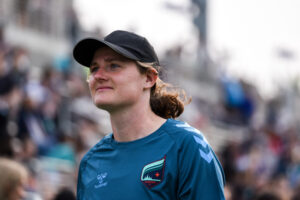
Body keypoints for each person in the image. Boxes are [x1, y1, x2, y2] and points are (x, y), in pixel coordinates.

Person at [73, 30, 225, 199]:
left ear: (149, 78)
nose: (98, 76)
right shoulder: (90, 162)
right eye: (94, 69)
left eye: (113, 66)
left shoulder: (187, 145)